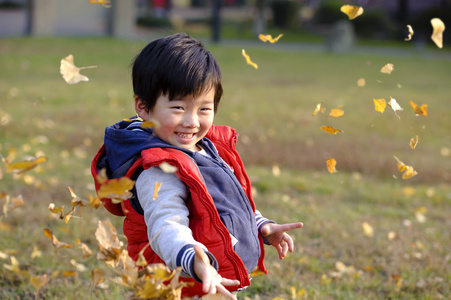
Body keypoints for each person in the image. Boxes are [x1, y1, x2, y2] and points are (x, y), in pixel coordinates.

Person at [91, 33, 303, 299]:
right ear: (143, 108)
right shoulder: (159, 169)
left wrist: (261, 225)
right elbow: (165, 225)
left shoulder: (204, 148)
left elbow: (224, 201)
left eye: (204, 109)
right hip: (179, 284)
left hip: (212, 280)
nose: (192, 121)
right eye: (179, 107)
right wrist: (197, 261)